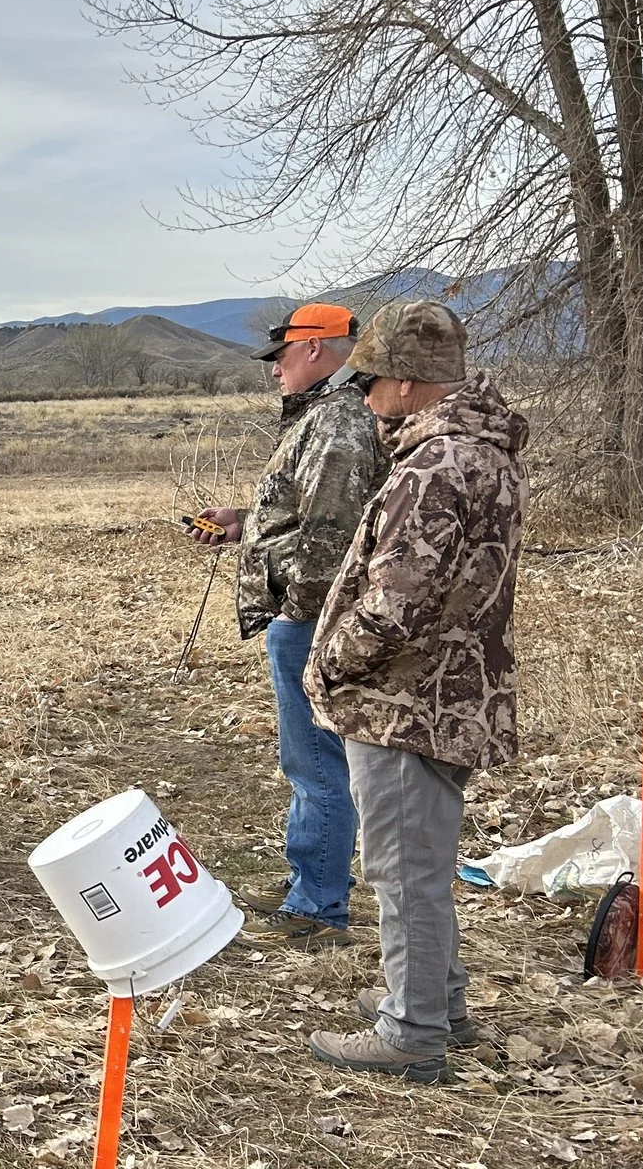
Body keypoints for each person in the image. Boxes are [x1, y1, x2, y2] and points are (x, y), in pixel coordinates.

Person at [301, 300, 525, 1083]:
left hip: (406, 701)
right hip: (450, 694)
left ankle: (413, 1028)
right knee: (422, 861)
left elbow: (396, 602)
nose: (364, 396)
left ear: (404, 382)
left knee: (401, 870)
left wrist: (332, 661)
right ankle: (439, 999)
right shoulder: (482, 453)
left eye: (371, 381)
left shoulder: (435, 468)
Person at [189, 301, 383, 950]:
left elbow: (329, 547)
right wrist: (246, 523)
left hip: (312, 619)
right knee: (309, 761)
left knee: (317, 763)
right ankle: (313, 880)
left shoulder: (340, 424)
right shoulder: (326, 416)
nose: (274, 372)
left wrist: (292, 615)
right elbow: (306, 514)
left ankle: (318, 906)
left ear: (314, 350)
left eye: (280, 358)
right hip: (304, 616)